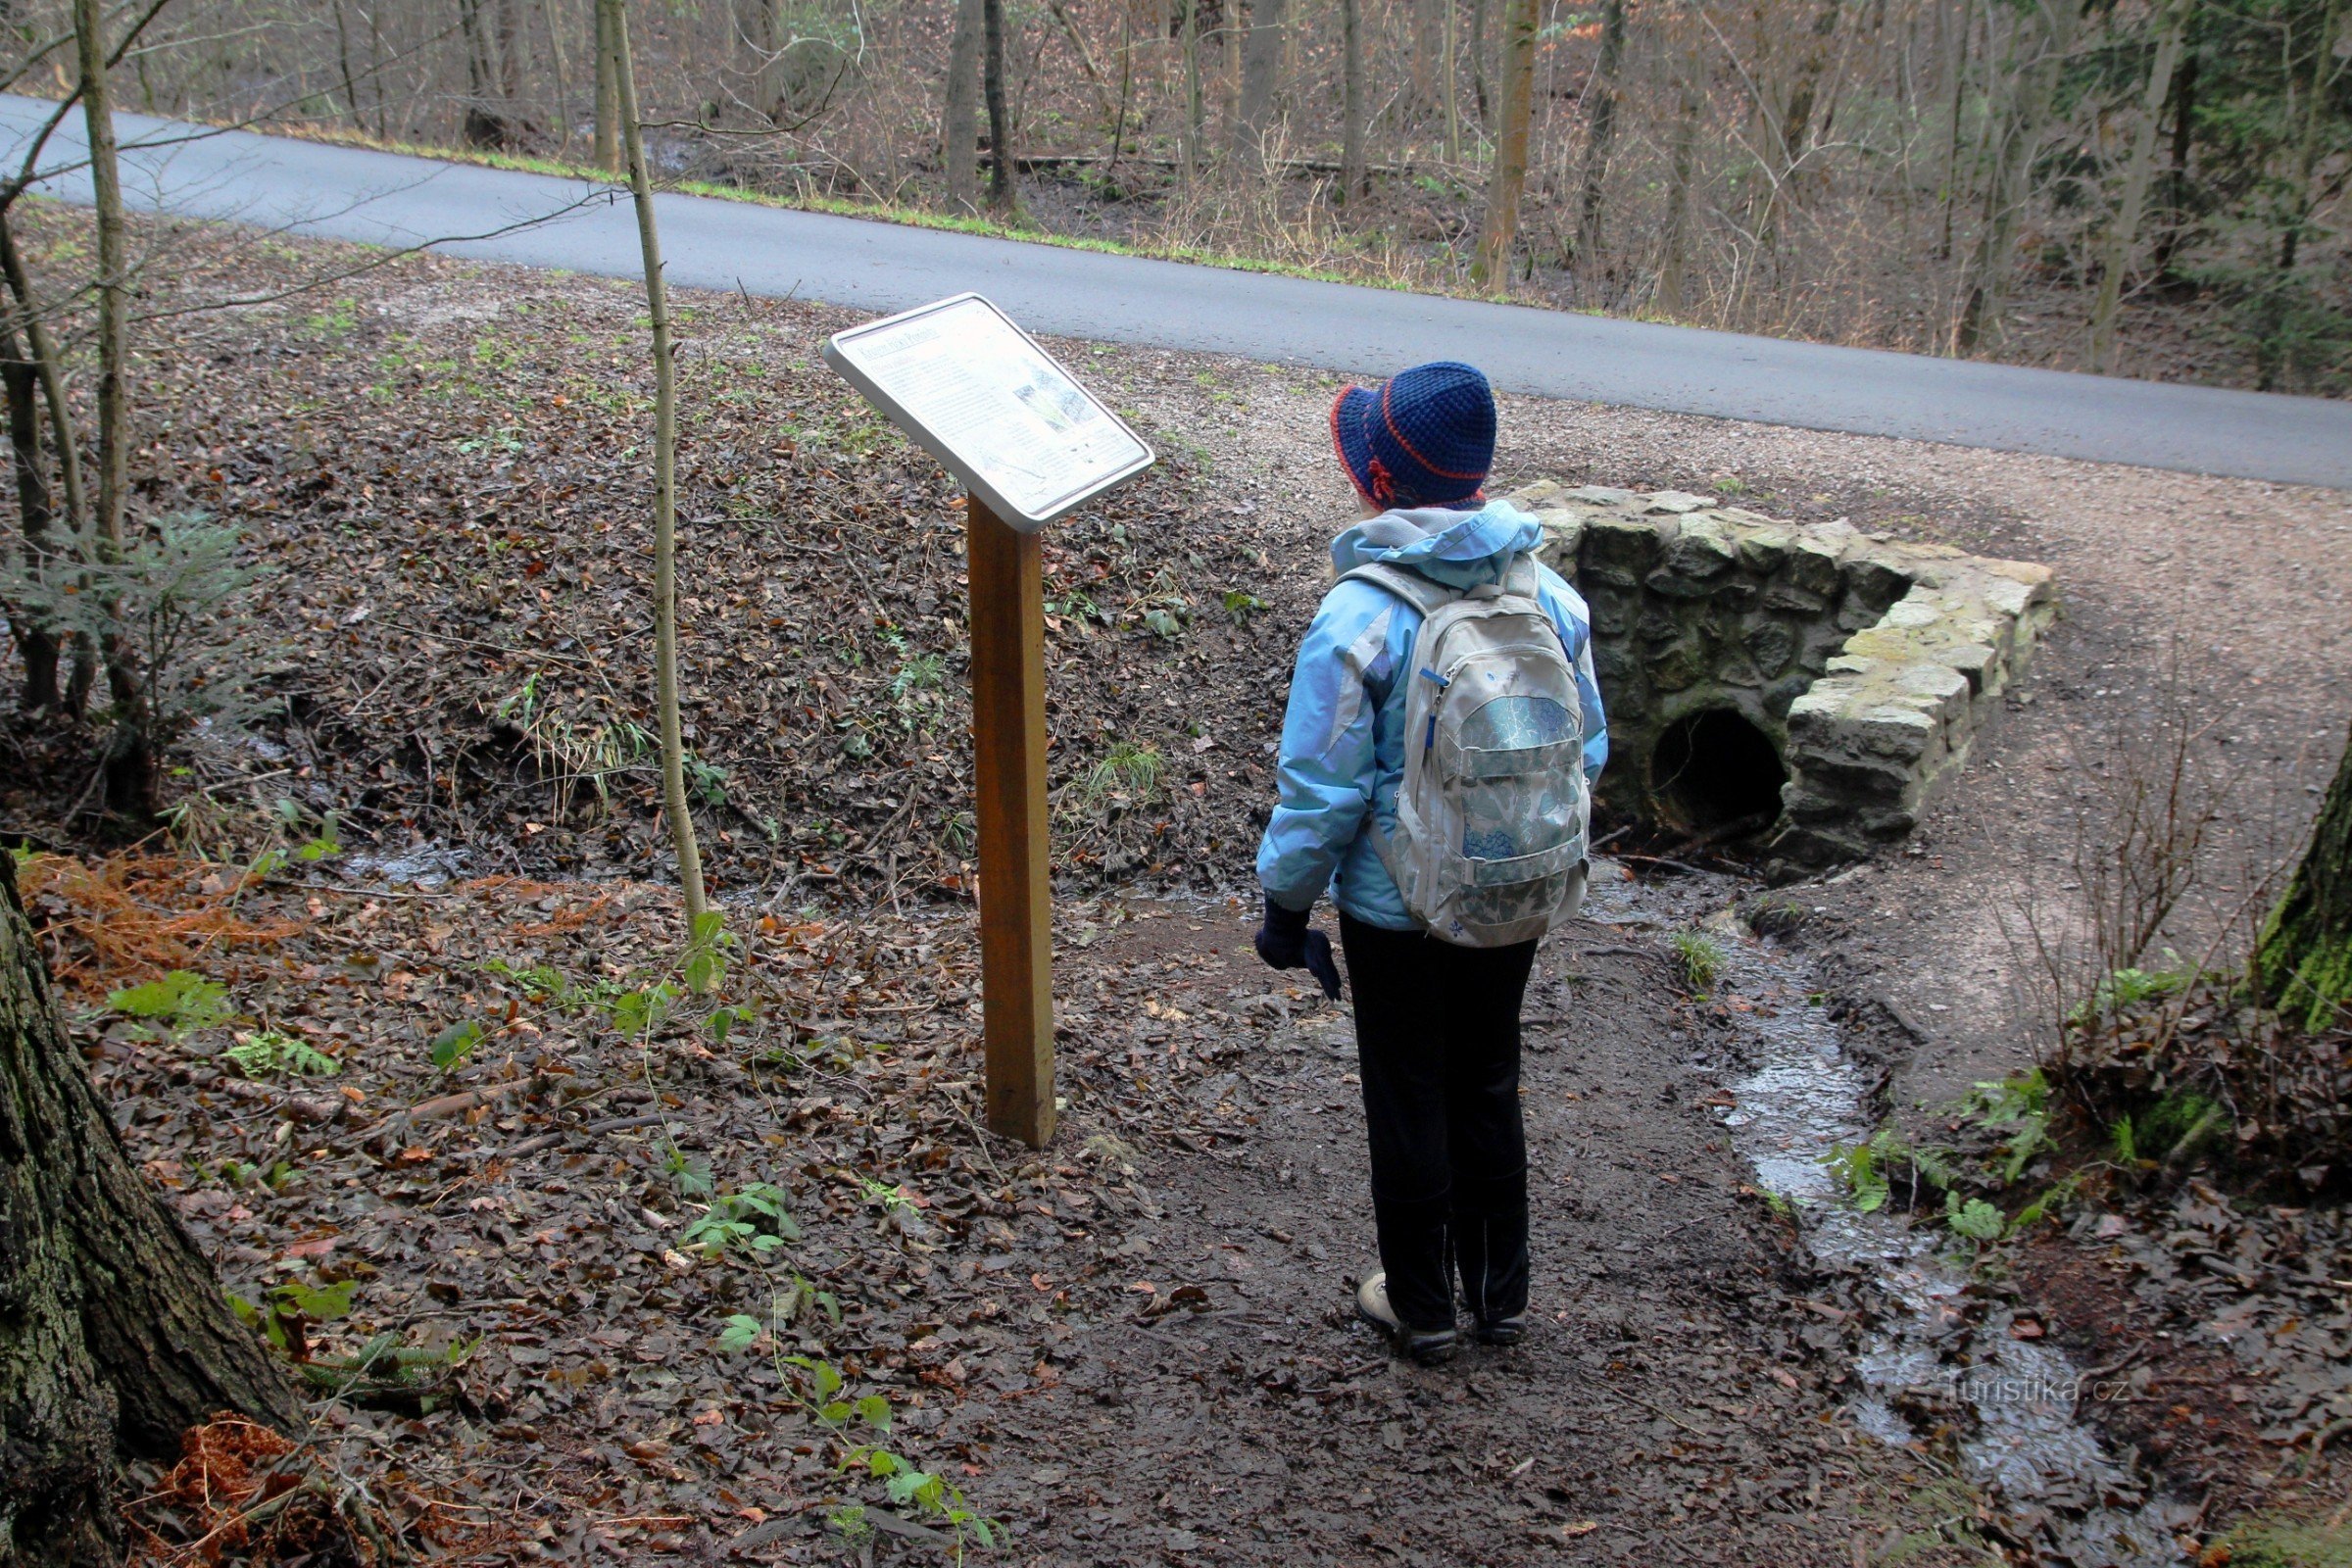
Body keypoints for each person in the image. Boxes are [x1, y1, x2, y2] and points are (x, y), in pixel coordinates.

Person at [1251, 362, 1607, 1363]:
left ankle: (1423, 1304)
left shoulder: (1361, 615)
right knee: (1487, 1071)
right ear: (1478, 477)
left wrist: (1286, 908)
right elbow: (1589, 749)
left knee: (1407, 1085)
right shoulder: (1554, 598)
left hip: (1396, 902)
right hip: (1517, 891)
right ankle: (1502, 1294)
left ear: (1375, 479)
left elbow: (1322, 792)